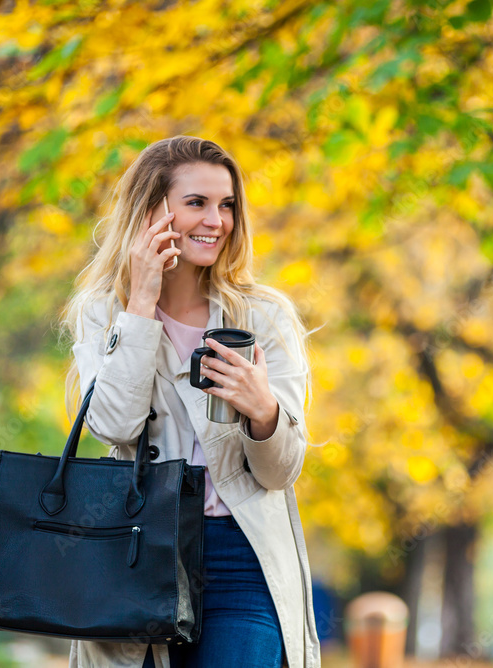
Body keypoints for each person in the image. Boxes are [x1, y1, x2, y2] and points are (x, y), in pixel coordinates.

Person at [59, 135, 323, 667]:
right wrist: (141, 304)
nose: (217, 221)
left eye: (226, 205)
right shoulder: (103, 311)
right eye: (197, 203)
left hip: (241, 556)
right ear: (151, 212)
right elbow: (113, 424)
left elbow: (281, 472)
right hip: (138, 548)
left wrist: (264, 412)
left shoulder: (263, 317)